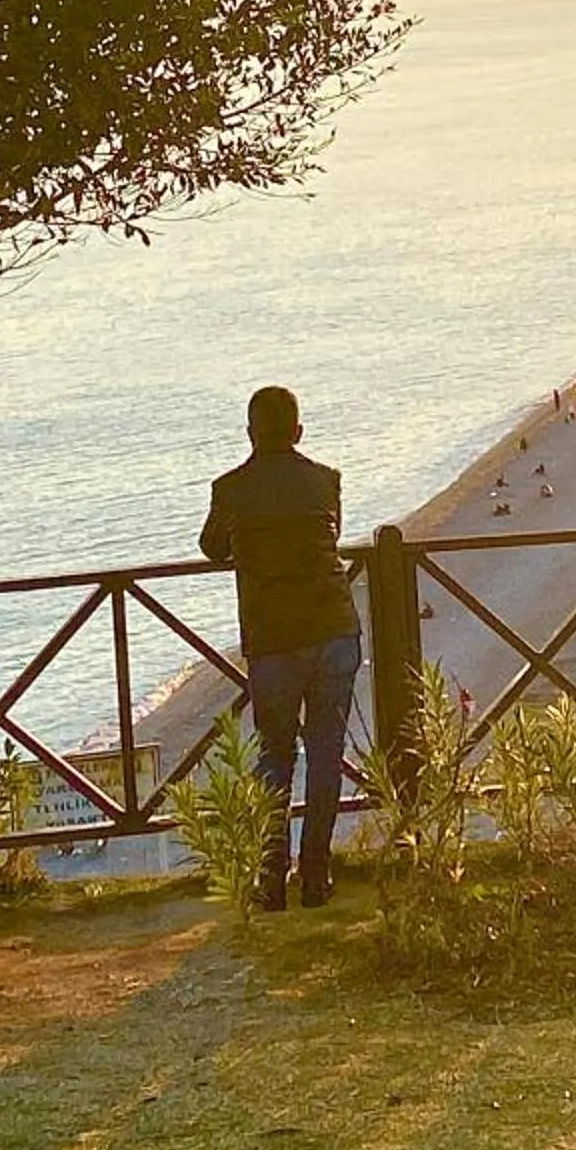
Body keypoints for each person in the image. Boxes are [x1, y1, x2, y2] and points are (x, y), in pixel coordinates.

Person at [199, 386, 361, 909]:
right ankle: (316, 874)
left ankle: (271, 878)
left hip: (272, 640)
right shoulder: (324, 480)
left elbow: (211, 548)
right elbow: (330, 534)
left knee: (274, 755)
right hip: (333, 627)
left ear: (250, 433)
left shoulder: (230, 489)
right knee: (325, 753)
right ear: (298, 432)